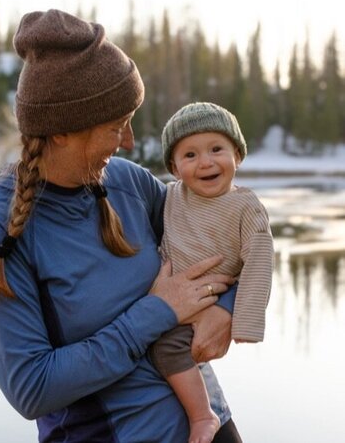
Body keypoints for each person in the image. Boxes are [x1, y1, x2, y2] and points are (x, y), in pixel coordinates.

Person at [0, 10, 242, 442]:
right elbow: (32, 389)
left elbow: (231, 231)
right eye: (116, 126)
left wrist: (226, 309)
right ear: (61, 132)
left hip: (211, 427)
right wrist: (156, 313)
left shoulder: (129, 184)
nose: (128, 141)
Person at [151, 102, 274, 443]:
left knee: (166, 350)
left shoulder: (245, 206)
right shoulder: (172, 196)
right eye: (189, 155)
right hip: (168, 297)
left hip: (205, 307)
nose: (205, 161)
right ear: (174, 168)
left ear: (237, 154)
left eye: (216, 149)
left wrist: (243, 320)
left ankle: (203, 414)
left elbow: (260, 261)